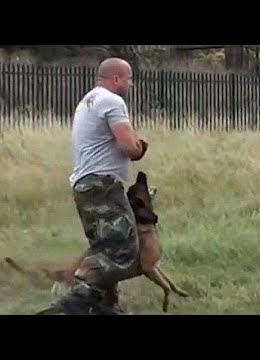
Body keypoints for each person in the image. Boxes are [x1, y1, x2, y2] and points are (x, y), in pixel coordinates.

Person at [57, 57, 148, 315]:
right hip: (103, 186)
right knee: (124, 247)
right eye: (128, 79)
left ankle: (106, 306)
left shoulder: (87, 101)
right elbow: (128, 146)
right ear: (116, 79)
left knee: (104, 246)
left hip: (85, 185)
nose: (130, 84)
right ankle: (78, 295)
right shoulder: (112, 101)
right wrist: (139, 146)